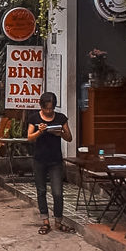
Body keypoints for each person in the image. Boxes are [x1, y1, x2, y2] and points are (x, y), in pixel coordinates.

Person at [27, 91, 73, 234]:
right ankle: (45, 221)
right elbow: (29, 137)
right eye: (46, 108)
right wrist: (39, 132)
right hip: (40, 159)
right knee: (41, 191)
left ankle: (58, 221)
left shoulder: (60, 118)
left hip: (55, 160)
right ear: (41, 106)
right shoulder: (34, 118)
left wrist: (60, 133)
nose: (48, 111)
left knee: (57, 192)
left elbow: (69, 137)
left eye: (51, 108)